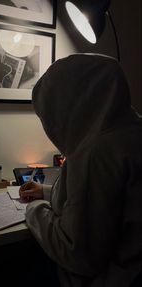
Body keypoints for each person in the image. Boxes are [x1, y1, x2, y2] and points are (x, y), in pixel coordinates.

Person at [19, 53, 142, 287]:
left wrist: (35, 210)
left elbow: (77, 254)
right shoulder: (131, 132)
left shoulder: (96, 152)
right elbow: (108, 201)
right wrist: (46, 191)